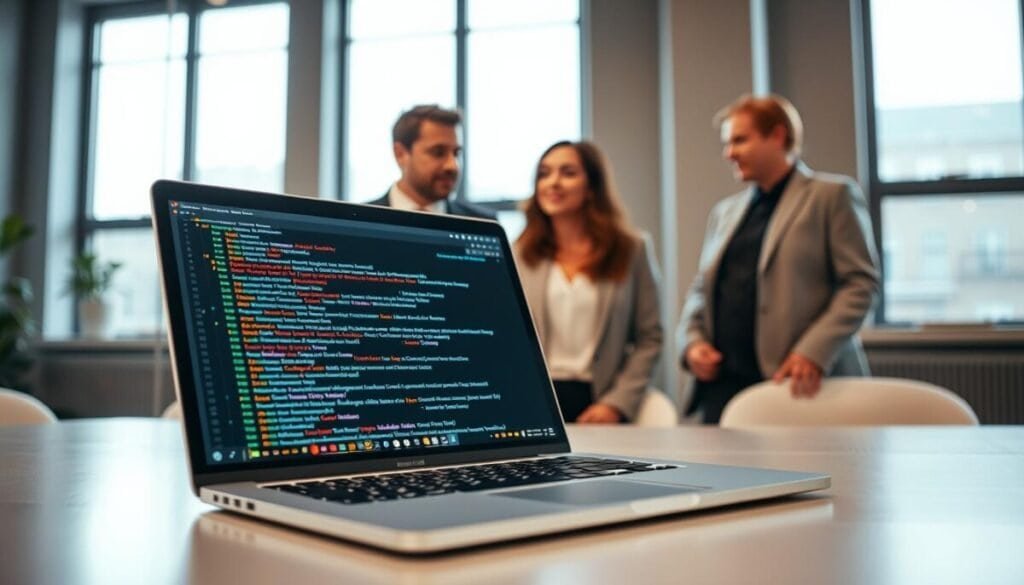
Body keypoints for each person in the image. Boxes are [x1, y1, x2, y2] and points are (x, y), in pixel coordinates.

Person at [678, 94, 880, 424]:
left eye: (740, 141)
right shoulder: (724, 212)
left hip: (801, 386)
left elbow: (861, 285)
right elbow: (701, 289)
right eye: (728, 144)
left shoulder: (832, 196)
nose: (730, 153)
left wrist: (811, 351)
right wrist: (691, 343)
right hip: (722, 390)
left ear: (778, 135)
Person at [514, 140, 662, 424]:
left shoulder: (631, 249)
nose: (553, 182)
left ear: (592, 187)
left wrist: (616, 404)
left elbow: (650, 338)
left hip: (601, 400)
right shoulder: (518, 255)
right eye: (544, 174)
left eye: (567, 173)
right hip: (535, 402)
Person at [366, 104, 495, 220]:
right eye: (438, 152)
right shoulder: (361, 221)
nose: (453, 165)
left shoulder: (481, 223)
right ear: (400, 154)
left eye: (456, 153)